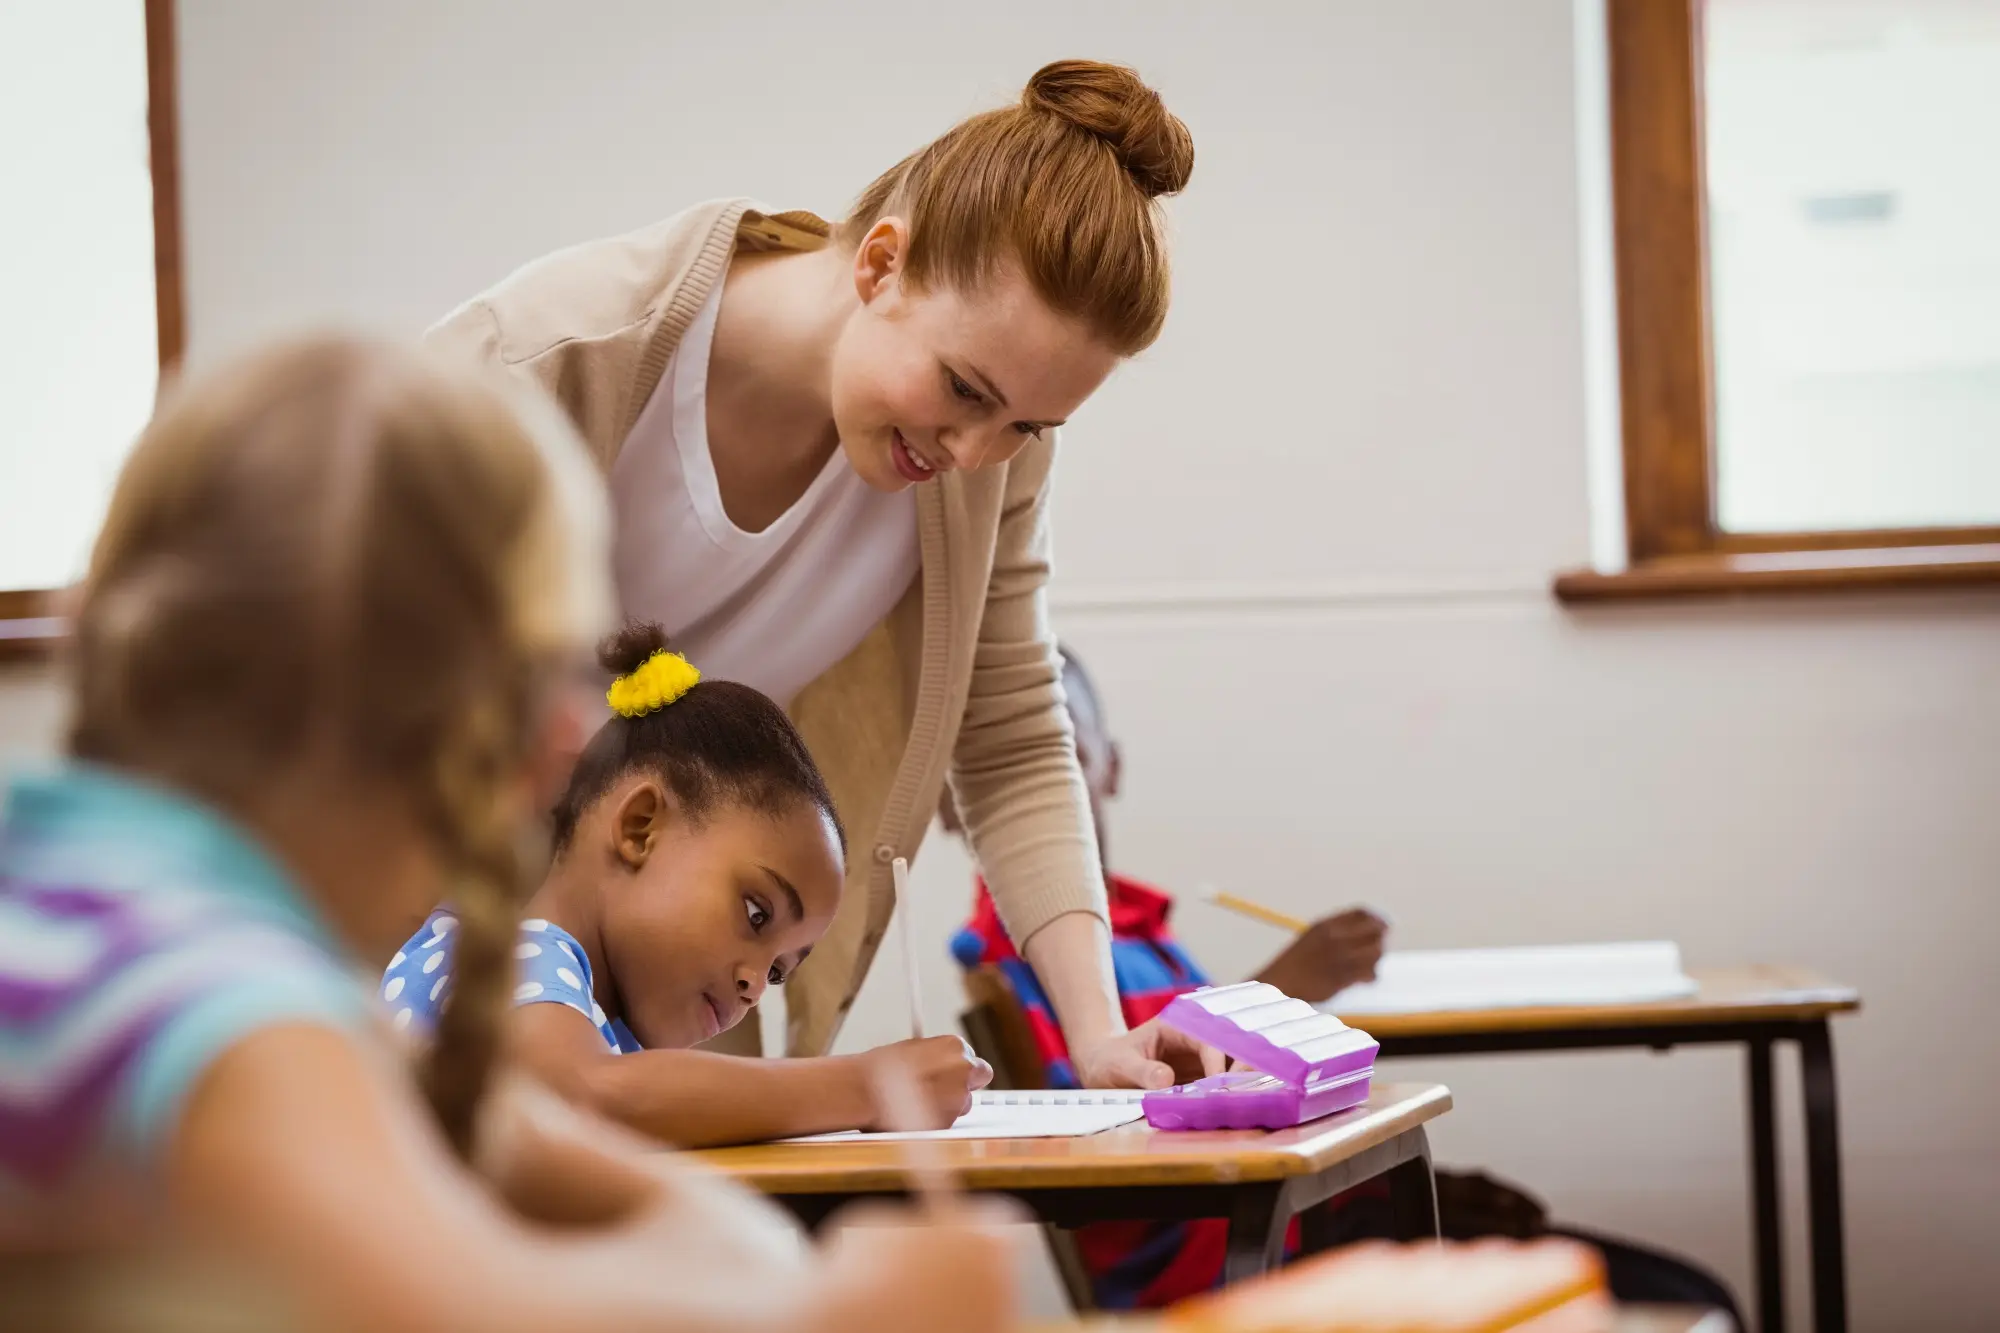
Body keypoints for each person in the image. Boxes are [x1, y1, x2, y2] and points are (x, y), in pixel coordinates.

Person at [0, 336, 1018, 1333]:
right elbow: (470, 1306)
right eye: (545, 681)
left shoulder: (87, 906)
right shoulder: (217, 1006)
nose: (570, 736)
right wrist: (853, 1308)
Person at [426, 59, 1218, 1090]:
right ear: (880, 264)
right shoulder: (548, 356)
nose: (978, 451)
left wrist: (1098, 1035)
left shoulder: (986, 463)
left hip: (661, 974)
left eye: (1027, 425)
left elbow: (1013, 731)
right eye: (963, 389)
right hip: (422, 934)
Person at [950, 645, 1741, 1323]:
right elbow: (1101, 1137)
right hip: (1240, 1253)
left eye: (1074, 763)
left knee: (1682, 1293)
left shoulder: (1147, 934)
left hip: (1302, 1213)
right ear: (961, 809)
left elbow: (1245, 1107)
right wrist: (1281, 988)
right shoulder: (1020, 957)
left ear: (1112, 765)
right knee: (1676, 1298)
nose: (1064, 801)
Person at [383, 621, 993, 1146]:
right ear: (640, 827)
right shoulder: (507, 954)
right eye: (757, 914)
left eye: (780, 971)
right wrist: (870, 1086)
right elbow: (583, 1097)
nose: (756, 984)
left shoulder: (589, 1018)